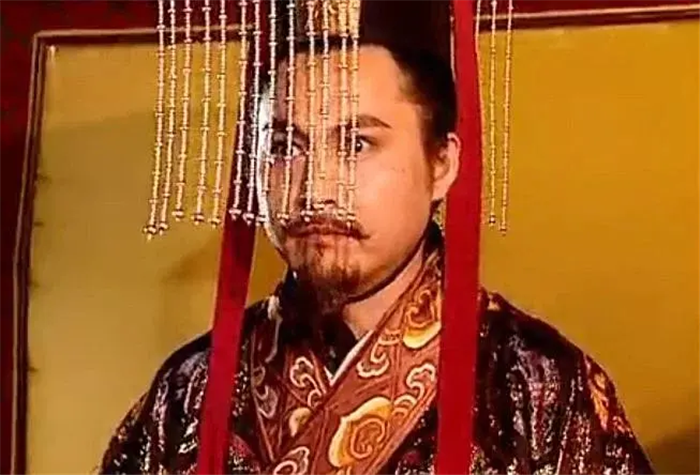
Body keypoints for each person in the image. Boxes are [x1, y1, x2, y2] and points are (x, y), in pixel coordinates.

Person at [99, 1, 653, 473]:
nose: (315, 190)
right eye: (285, 146)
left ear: (442, 163)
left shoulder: (536, 389)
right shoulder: (188, 393)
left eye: (357, 144)